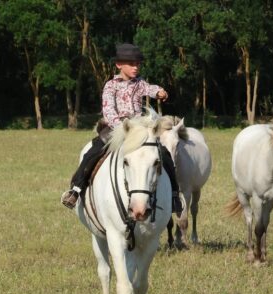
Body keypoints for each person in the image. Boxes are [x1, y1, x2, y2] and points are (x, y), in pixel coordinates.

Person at [60, 43, 183, 214]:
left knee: (164, 154)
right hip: (116, 128)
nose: (136, 67)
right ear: (119, 65)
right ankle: (76, 189)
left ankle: (175, 196)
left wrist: (160, 91)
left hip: (139, 129)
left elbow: (150, 88)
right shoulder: (111, 86)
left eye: (138, 64)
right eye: (131, 64)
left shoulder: (139, 83)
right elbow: (108, 110)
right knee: (93, 152)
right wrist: (123, 128)